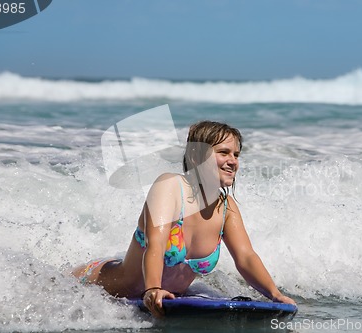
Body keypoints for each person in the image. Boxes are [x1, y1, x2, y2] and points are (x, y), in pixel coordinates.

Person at [72, 120, 296, 317]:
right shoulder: (169, 186)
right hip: (96, 287)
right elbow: (156, 244)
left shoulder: (227, 208)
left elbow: (246, 257)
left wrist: (275, 295)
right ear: (196, 156)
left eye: (236, 155)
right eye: (224, 153)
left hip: (162, 296)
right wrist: (152, 289)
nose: (233, 161)